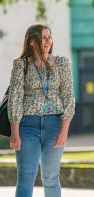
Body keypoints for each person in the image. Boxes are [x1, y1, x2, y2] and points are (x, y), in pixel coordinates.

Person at [8, 24, 75, 197]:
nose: (48, 41)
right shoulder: (21, 65)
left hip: (54, 124)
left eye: (49, 37)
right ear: (32, 41)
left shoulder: (62, 63)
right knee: (26, 177)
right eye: (43, 37)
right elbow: (15, 98)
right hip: (27, 125)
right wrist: (15, 132)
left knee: (51, 177)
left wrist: (64, 130)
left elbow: (68, 96)